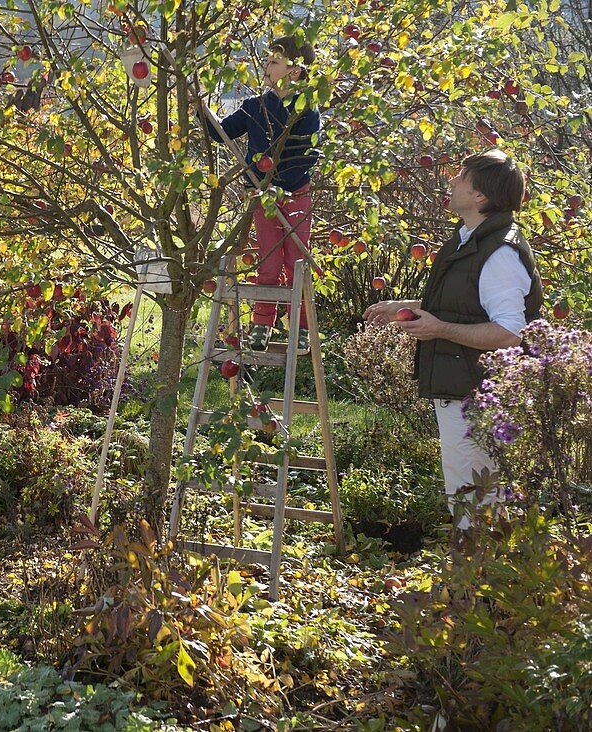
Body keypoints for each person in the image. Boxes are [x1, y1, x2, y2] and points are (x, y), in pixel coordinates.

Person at [364, 149, 543, 529]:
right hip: (463, 387)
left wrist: (439, 329)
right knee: (471, 495)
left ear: (479, 196)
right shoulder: (470, 239)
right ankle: (479, 577)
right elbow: (466, 304)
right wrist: (409, 305)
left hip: (478, 396)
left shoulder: (500, 254)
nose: (450, 182)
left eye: (459, 177)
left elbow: (510, 333)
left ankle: (476, 582)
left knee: (474, 501)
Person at [202, 35, 322, 352]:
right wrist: (199, 107)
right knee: (268, 262)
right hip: (261, 198)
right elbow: (222, 133)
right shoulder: (255, 107)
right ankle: (262, 324)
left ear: (295, 72)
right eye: (267, 60)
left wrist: (278, 187)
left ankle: (300, 327)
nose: (266, 66)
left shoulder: (307, 111)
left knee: (296, 262)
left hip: (295, 195)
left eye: (274, 61)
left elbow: (308, 156)